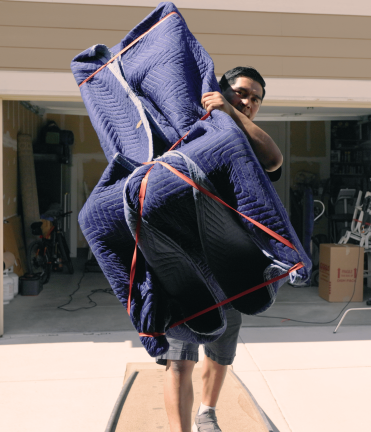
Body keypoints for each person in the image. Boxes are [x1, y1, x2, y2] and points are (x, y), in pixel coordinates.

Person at [157, 66, 282, 432]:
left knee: (221, 349)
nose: (248, 102)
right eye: (241, 92)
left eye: (256, 98)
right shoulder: (190, 129)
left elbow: (274, 159)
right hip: (186, 262)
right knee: (180, 356)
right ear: (220, 90)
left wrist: (232, 115)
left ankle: (206, 413)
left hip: (232, 263)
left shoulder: (249, 142)